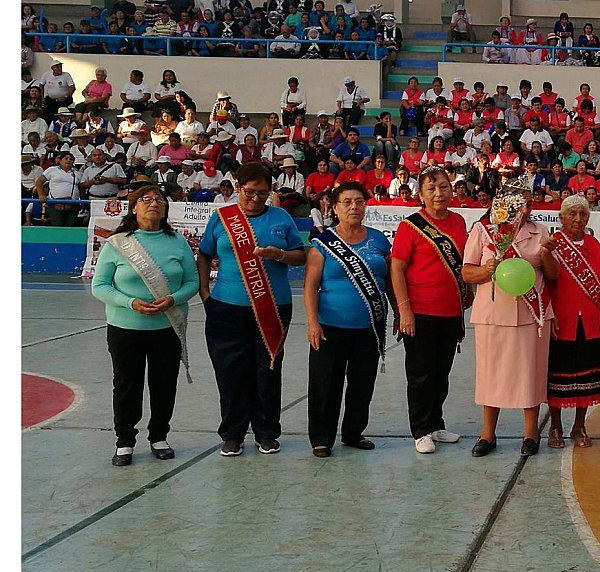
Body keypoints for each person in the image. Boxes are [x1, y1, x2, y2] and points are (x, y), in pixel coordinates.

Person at [197, 162, 309, 457]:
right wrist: (204, 291)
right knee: (230, 370)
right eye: (250, 192)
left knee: (268, 368)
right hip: (226, 307)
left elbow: (301, 256)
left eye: (263, 193)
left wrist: (280, 254)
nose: (256, 199)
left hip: (273, 306)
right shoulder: (222, 218)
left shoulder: (282, 217)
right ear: (237, 188)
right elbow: (205, 254)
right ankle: (232, 434)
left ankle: (267, 432)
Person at [91, 183, 198, 466]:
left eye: (159, 200)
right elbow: (99, 286)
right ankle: (125, 441)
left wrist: (173, 299)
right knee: (127, 385)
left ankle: (159, 436)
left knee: (163, 384)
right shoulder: (117, 243)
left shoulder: (177, 241)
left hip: (167, 328)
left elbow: (193, 282)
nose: (154, 203)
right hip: (124, 328)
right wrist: (131, 303)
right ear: (134, 207)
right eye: (146, 199)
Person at [461, 174, 551, 457]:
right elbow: (467, 272)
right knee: (491, 373)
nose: (523, 208)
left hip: (531, 313)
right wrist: (488, 269)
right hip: (493, 313)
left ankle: (530, 433)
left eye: (527, 202)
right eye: (517, 201)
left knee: (530, 372)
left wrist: (540, 259)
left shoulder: (540, 232)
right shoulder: (483, 230)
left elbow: (553, 273)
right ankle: (487, 434)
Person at [303, 181, 391, 457]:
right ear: (335, 207)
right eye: (347, 202)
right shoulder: (323, 244)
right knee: (325, 383)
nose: (354, 207)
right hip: (330, 326)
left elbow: (389, 279)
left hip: (368, 326)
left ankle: (353, 432)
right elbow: (310, 286)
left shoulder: (378, 239)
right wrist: (312, 323)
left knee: (362, 382)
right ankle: (321, 438)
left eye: (359, 201)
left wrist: (401, 312)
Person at [390, 166, 471, 454]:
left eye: (444, 187)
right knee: (421, 373)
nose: (439, 193)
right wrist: (404, 311)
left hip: (451, 312)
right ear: (421, 194)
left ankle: (436, 423)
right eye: (432, 188)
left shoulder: (460, 222)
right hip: (420, 311)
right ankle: (421, 429)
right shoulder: (409, 226)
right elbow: (396, 270)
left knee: (441, 372)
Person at [540, 195, 600, 448]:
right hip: (562, 322)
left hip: (591, 322)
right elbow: (545, 285)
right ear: (561, 218)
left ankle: (579, 426)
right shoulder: (553, 244)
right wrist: (548, 315)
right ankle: (555, 426)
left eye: (582, 214)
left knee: (586, 378)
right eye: (571, 214)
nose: (577, 219)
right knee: (557, 377)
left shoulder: (594, 245)